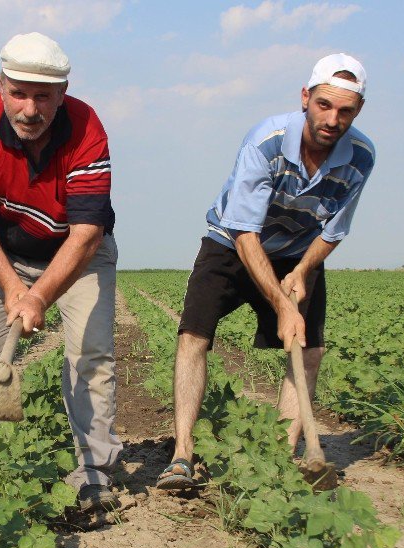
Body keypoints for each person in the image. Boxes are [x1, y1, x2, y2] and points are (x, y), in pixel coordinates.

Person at [157, 53, 375, 490]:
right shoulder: (267, 141)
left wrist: (303, 270)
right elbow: (245, 233)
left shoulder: (362, 157)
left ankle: (286, 455)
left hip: (296, 251)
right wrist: (281, 304)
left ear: (358, 110)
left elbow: (335, 228)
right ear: (305, 98)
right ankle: (181, 455)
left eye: (345, 110)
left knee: (308, 350)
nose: (332, 119)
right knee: (193, 336)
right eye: (324, 105)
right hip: (231, 242)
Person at [0, 32, 122, 512]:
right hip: (1, 250)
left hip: (78, 254)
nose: (30, 108)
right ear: (0, 85)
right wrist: (11, 285)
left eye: (43, 96)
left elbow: (86, 234)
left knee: (90, 356)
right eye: (19, 93)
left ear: (62, 94)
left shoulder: (88, 131)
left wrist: (38, 296)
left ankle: (94, 472)